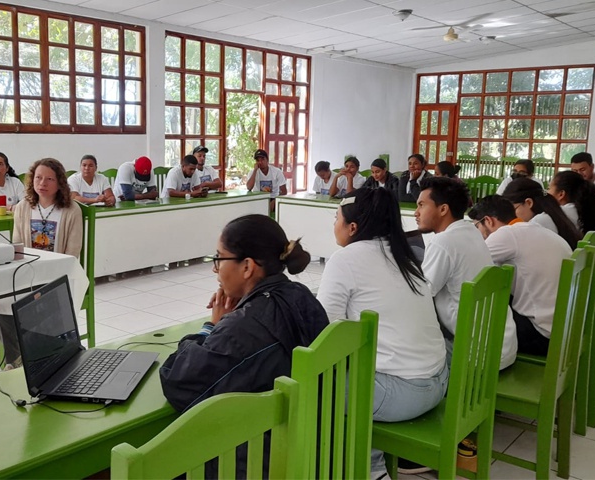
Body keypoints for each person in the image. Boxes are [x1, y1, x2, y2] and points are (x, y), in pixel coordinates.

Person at [316, 188, 447, 478]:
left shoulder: (346, 259)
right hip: (439, 381)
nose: (333, 224)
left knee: (314, 381)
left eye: (335, 217)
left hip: (402, 395)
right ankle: (383, 454)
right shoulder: (404, 255)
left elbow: (326, 332)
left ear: (352, 227)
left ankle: (370, 467)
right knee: (363, 362)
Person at [160, 213, 328, 409]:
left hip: (264, 437)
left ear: (247, 266)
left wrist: (212, 326)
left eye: (219, 258)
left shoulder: (241, 328)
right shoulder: (301, 295)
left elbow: (178, 382)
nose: (215, 269)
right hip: (313, 426)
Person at [415, 177, 517, 370]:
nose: (416, 213)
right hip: (502, 348)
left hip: (476, 357)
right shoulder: (472, 233)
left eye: (421, 205)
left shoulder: (443, 242)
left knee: (398, 350)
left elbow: (420, 297)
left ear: (443, 209)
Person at [0, 158, 83, 370]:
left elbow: (72, 254)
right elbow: (17, 248)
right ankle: (15, 360)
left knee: (35, 303)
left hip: (58, 276)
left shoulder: (71, 210)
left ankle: (40, 359)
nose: (42, 182)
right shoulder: (23, 207)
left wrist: (46, 274)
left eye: (49, 179)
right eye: (38, 177)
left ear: (60, 183)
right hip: (27, 274)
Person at [468, 195, 572, 356]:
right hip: (566, 329)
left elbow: (469, 264)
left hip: (542, 334)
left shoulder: (506, 235)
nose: (479, 234)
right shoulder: (536, 230)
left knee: (472, 316)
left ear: (488, 221)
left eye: (477, 226)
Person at [502, 177, 581, 250]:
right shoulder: (551, 213)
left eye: (513, 210)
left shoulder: (539, 222)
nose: (512, 216)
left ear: (529, 203)